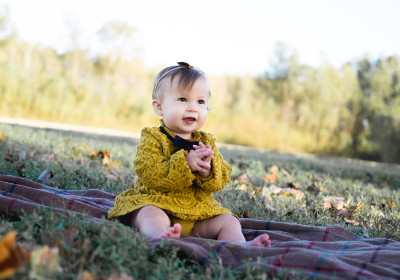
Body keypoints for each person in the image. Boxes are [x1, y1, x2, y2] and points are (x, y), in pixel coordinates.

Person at [108, 62, 271, 247]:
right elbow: (148, 171)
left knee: (229, 221)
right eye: (183, 100)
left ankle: (239, 246)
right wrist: (184, 163)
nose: (193, 108)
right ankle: (159, 236)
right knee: (148, 214)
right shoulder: (153, 137)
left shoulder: (206, 142)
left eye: (200, 101)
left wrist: (209, 171)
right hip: (158, 203)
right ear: (159, 107)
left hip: (197, 215)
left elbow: (222, 178)